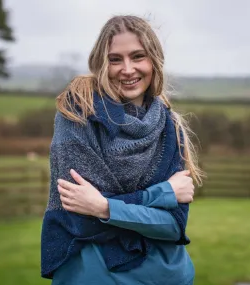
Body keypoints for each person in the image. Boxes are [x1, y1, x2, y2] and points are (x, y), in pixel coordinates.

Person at [41, 15, 203, 285]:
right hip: (95, 276)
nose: (127, 69)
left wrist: (104, 207)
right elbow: (80, 215)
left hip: (171, 276)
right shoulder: (79, 113)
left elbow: (173, 226)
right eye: (115, 59)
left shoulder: (169, 126)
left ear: (154, 60)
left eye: (138, 56)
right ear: (101, 63)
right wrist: (163, 193)